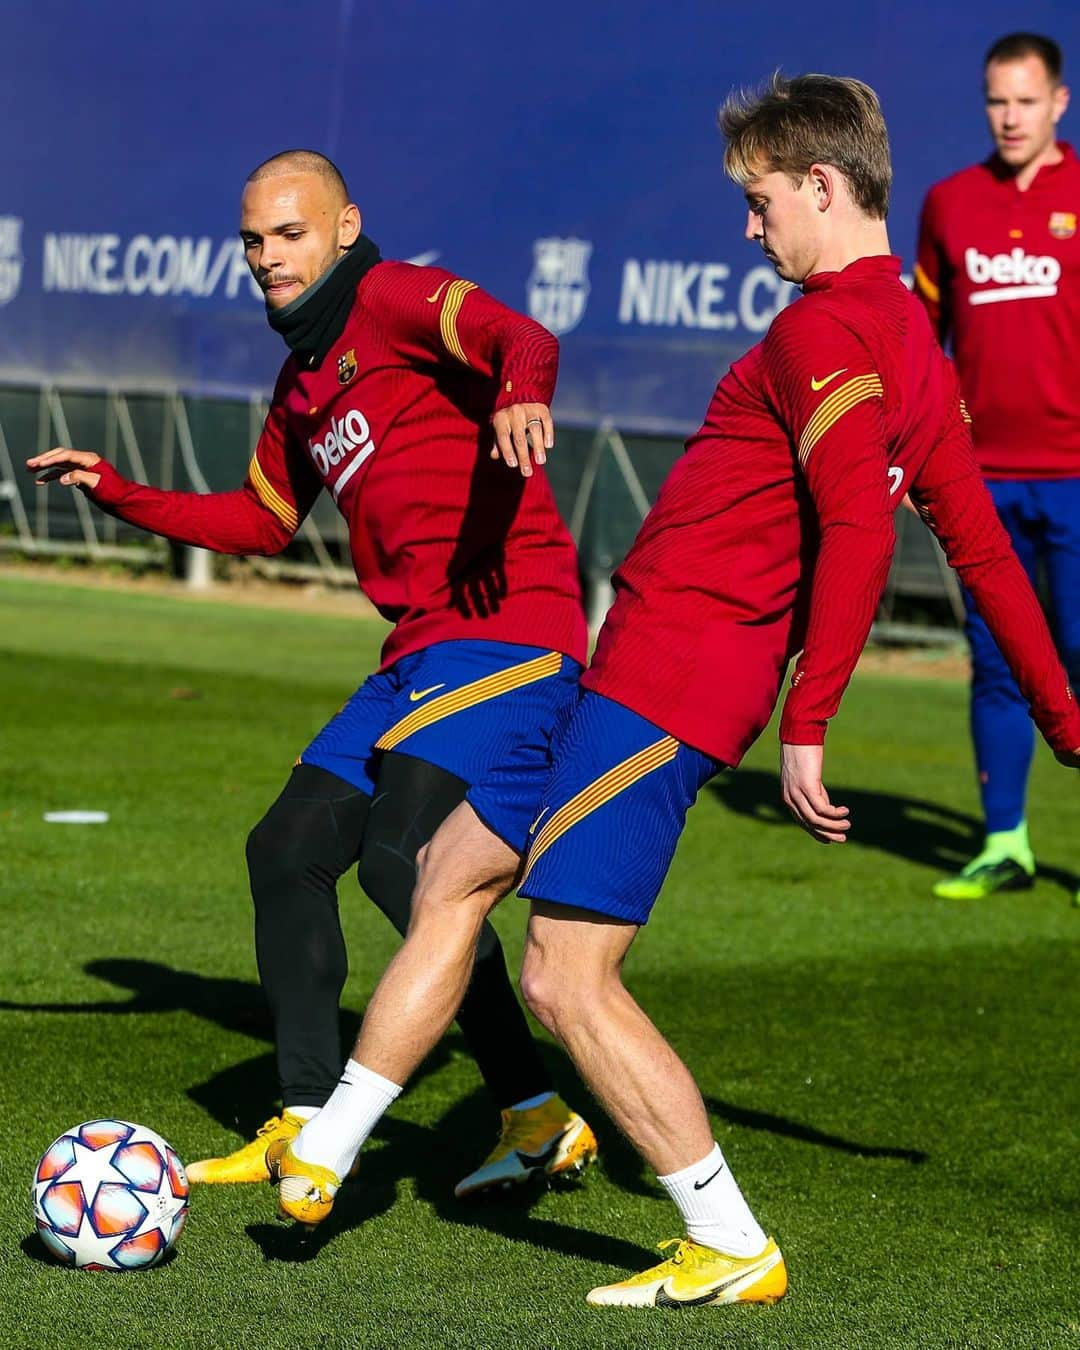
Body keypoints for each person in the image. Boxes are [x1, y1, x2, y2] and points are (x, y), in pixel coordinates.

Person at [266, 76, 1080, 1310]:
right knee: (447, 872)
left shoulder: (825, 331)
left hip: (675, 690)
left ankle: (728, 1240)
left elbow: (865, 528)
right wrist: (1071, 725)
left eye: (759, 203)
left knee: (563, 977)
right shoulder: (912, 338)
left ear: (820, 186)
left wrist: (812, 724)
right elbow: (983, 556)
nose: (749, 231)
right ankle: (325, 1149)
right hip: (622, 672)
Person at [28, 149, 598, 1198]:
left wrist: (520, 394)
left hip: (512, 628)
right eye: (252, 240)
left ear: (344, 228)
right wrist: (118, 491)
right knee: (286, 847)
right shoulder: (300, 381)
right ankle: (301, 1114)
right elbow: (258, 519)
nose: (267, 257)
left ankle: (533, 1109)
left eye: (289, 234)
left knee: (405, 859)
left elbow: (524, 335)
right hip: (417, 650)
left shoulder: (392, 298)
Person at [915, 33, 1080, 901]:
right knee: (998, 659)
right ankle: (1005, 843)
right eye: (995, 101)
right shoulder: (950, 202)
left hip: (1076, 475)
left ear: (1059, 101)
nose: (1009, 117)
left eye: (1025, 100)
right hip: (982, 480)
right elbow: (922, 343)